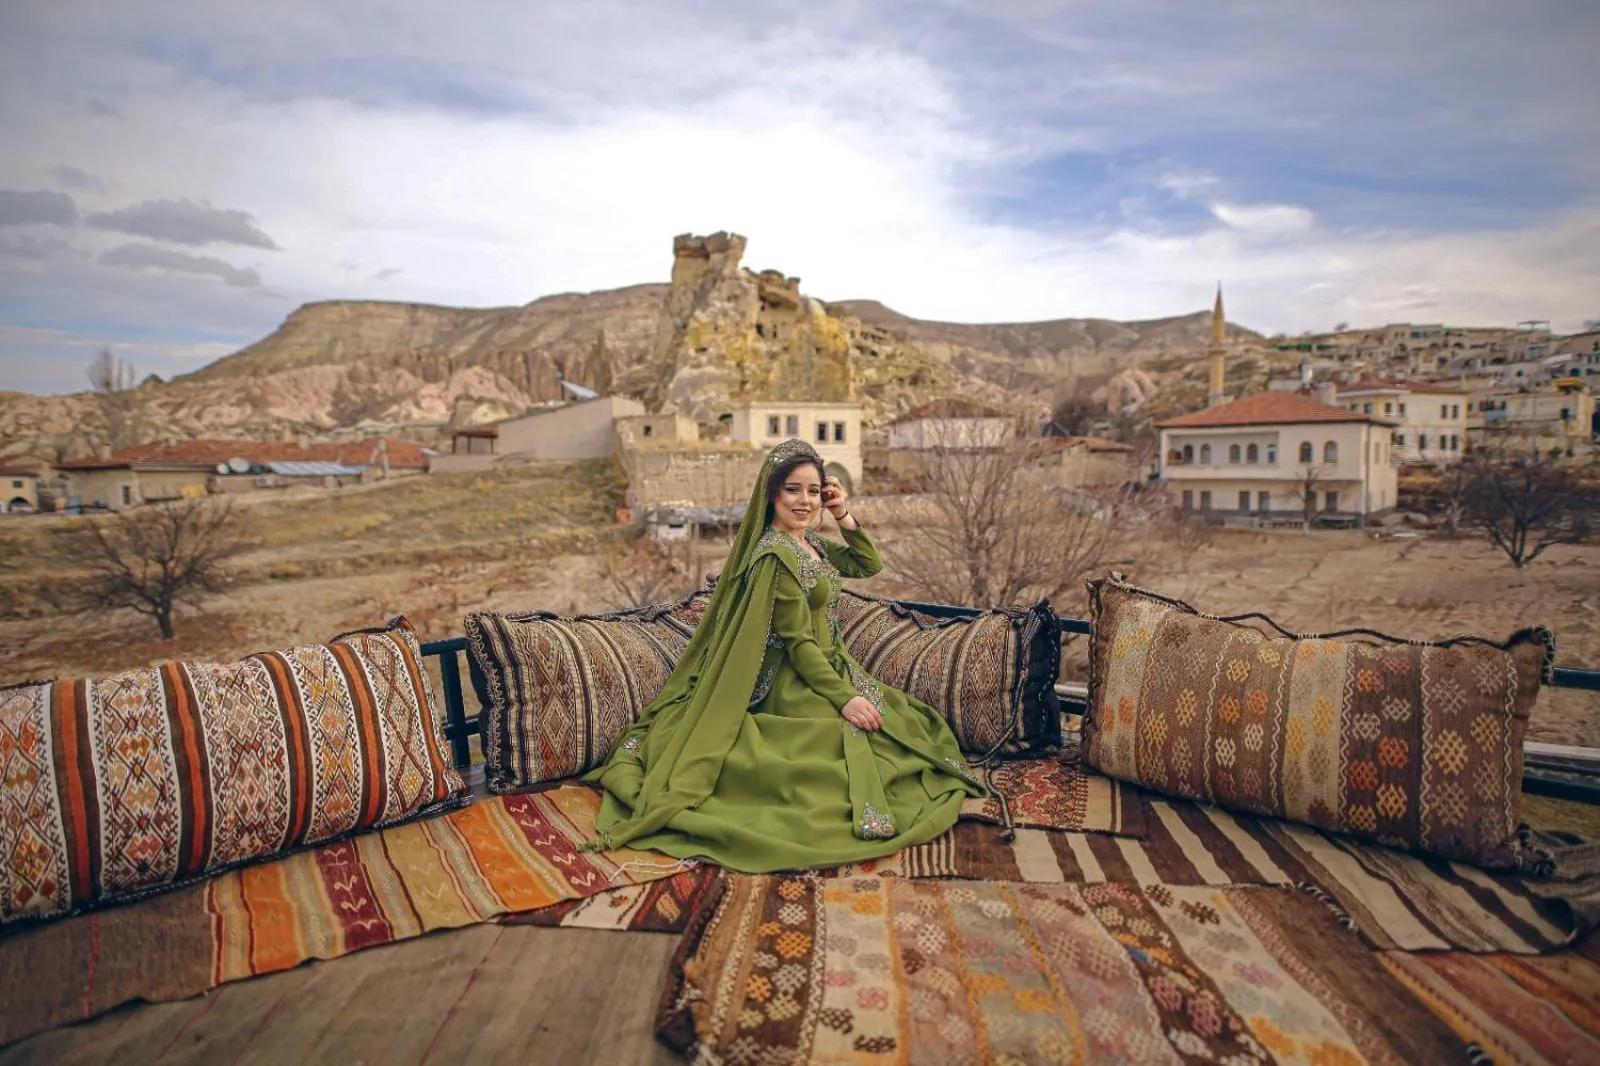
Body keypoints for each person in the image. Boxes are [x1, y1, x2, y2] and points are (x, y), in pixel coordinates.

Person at [583, 437, 984, 871]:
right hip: (793, 678)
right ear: (771, 493)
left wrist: (841, 513)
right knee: (843, 748)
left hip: (833, 665)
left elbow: (867, 564)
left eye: (813, 491)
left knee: (909, 723)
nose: (804, 501)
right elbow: (799, 643)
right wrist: (844, 699)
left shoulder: (809, 544)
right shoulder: (776, 556)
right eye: (793, 489)